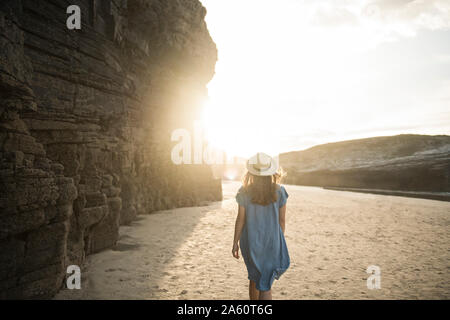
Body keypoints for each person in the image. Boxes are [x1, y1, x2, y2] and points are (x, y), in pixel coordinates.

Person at [232, 152, 290, 300]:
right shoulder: (280, 191)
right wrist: (278, 241)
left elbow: (240, 219)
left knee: (254, 277)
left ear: (252, 172)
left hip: (251, 243)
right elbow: (282, 221)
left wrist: (235, 243)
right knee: (266, 286)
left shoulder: (244, 191)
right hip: (272, 243)